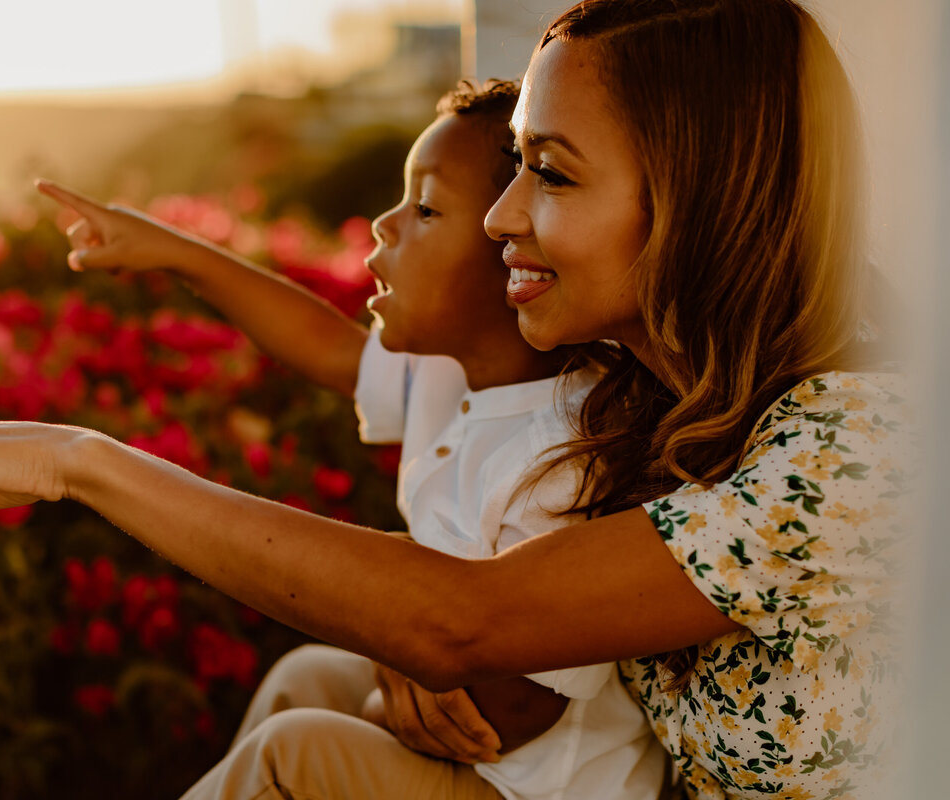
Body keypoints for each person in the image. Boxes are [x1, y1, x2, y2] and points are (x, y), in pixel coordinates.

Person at [0, 1, 908, 797]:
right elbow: (441, 614)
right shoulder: (669, 395)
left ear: (705, 203)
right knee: (313, 674)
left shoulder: (850, 449)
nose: (500, 217)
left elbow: (464, 620)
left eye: (552, 173)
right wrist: (400, 656)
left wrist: (74, 459)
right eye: (513, 167)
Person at [38, 81, 664, 800]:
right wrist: (176, 253)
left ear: (515, 256)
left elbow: (513, 713)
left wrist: (382, 688)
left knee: (295, 753)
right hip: (477, 748)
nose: (384, 225)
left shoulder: (565, 450)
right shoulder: (445, 370)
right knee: (303, 677)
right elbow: (329, 350)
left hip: (528, 785)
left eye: (425, 209)